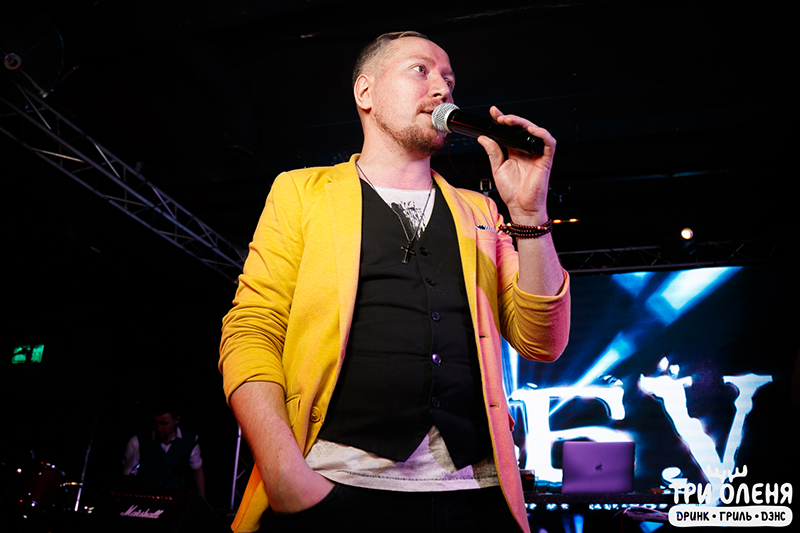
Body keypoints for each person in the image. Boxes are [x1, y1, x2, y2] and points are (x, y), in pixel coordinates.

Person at [218, 31, 570, 533]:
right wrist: (284, 474)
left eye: (448, 80)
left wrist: (530, 214)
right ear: (365, 92)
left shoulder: (480, 212)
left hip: (476, 497)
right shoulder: (302, 193)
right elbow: (251, 330)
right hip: (335, 489)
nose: (442, 88)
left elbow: (543, 342)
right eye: (420, 70)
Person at [121, 404, 206, 498]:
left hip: (174, 499)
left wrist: (202, 500)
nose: (159, 428)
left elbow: (197, 471)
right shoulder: (138, 441)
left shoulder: (190, 440)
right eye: (155, 422)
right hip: (145, 498)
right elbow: (127, 475)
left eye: (164, 423)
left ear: (177, 419)